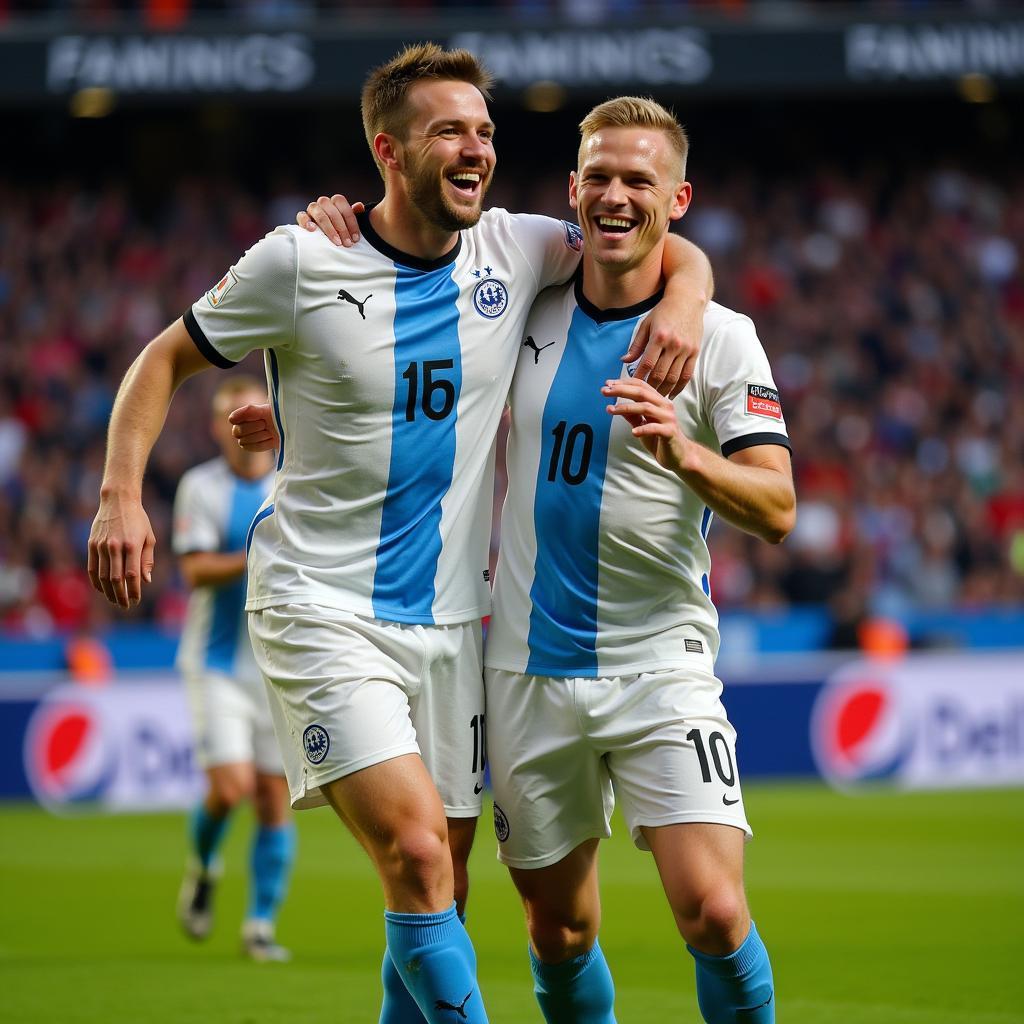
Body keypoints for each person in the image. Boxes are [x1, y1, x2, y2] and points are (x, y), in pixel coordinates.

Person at [86, 44, 712, 1024]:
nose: (476, 150)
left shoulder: (515, 247)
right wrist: (121, 493)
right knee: (418, 855)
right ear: (387, 150)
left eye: (485, 133)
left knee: (441, 894)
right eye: (448, 132)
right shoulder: (300, 260)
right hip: (319, 605)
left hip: (453, 622)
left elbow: (651, 235)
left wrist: (683, 298)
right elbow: (160, 362)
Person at [481, 97, 795, 1023]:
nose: (616, 197)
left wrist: (686, 455)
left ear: (679, 198)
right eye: (601, 179)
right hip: (523, 670)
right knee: (559, 932)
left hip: (661, 664)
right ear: (572, 190)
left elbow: (778, 507)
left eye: (640, 182)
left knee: (714, 909)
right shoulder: (514, 307)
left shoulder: (722, 336)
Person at [173, 375, 294, 962]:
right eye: (228, 420)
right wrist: (260, 553)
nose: (238, 430)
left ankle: (260, 925)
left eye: (247, 416)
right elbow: (194, 571)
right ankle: (203, 864)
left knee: (275, 799)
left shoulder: (291, 483)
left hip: (276, 664)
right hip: (216, 662)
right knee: (232, 787)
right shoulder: (201, 488)